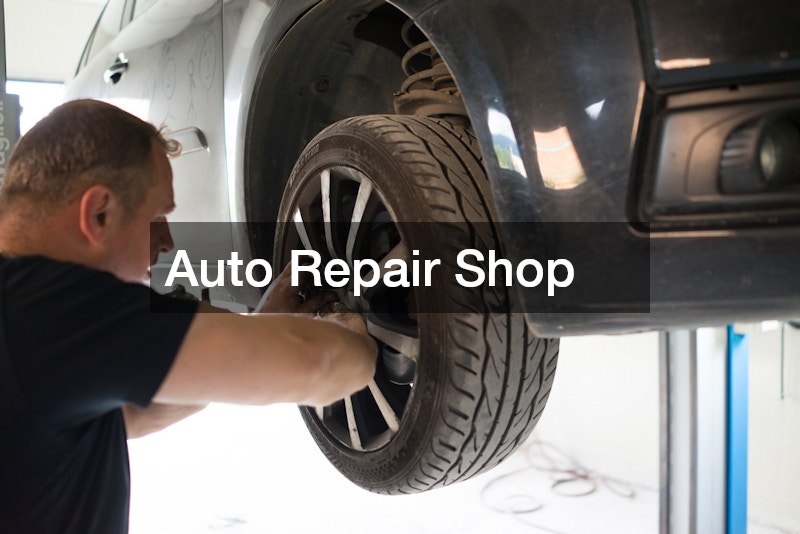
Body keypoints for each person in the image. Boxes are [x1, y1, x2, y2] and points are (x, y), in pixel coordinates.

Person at [0, 99, 377, 533]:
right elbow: (317, 364)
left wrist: (254, 332)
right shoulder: (50, 307)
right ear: (98, 212)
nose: (168, 243)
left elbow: (130, 417)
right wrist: (358, 333)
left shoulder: (26, 315)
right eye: (158, 216)